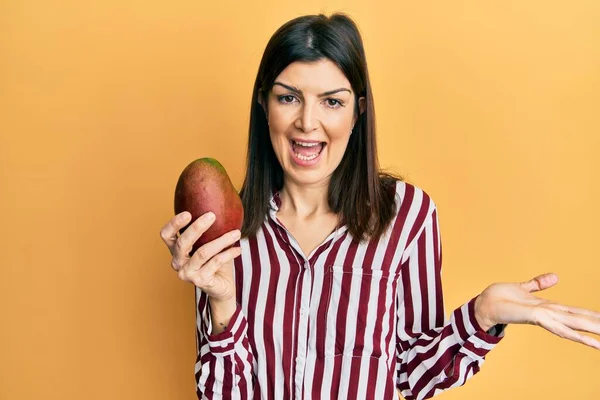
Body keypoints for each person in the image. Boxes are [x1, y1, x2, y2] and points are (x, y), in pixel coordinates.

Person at [159, 13, 600, 400]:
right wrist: (221, 302)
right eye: (288, 97)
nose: (307, 122)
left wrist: (482, 315)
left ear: (358, 113)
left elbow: (413, 374)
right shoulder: (228, 233)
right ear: (263, 104)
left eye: (332, 101)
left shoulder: (408, 216)